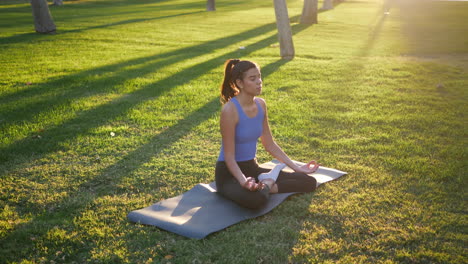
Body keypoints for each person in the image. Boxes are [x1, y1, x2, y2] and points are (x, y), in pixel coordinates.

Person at [215, 59, 320, 209]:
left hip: (252, 167)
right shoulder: (230, 110)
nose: (259, 82)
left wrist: (297, 167)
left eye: (259, 77)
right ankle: (268, 182)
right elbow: (229, 157)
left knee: (308, 182)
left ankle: (265, 184)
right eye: (253, 79)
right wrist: (243, 181)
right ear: (239, 83)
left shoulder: (260, 104)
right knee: (255, 200)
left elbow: (269, 144)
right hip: (229, 174)